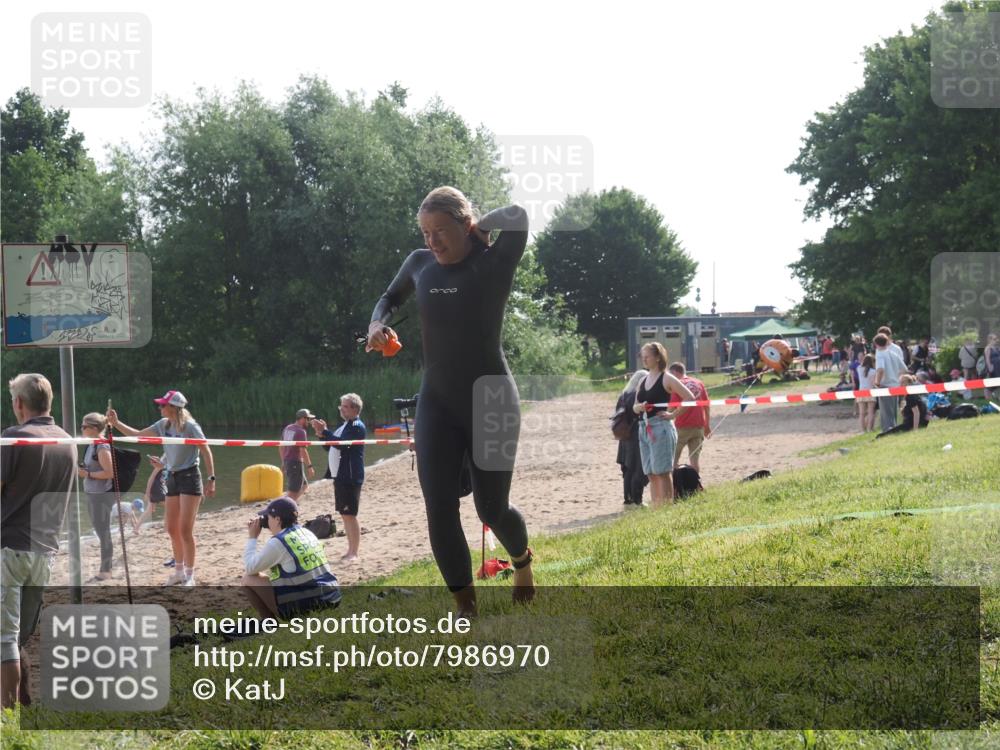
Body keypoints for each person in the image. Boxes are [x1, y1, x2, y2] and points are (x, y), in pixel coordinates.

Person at [367, 186, 532, 616]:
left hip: (492, 399)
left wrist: (483, 226)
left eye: (441, 230)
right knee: (439, 507)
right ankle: (466, 608)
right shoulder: (420, 265)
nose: (431, 241)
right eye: (425, 231)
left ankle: (522, 562)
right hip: (437, 402)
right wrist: (375, 325)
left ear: (465, 225)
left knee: (491, 508)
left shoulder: (494, 261)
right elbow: (388, 299)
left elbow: (517, 215)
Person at [1, 374, 76, 708]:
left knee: (5, 640)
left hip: (9, 548)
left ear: (19, 403)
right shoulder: (67, 440)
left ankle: (7, 716)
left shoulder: (15, 437)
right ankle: (23, 705)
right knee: (19, 637)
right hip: (45, 551)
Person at [107, 390, 215, 586]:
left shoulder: (190, 427)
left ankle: (190, 576)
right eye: (160, 405)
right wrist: (116, 423)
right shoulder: (162, 425)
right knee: (172, 529)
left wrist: (212, 478)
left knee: (185, 530)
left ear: (174, 407)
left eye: (163, 405)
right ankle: (179, 572)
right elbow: (137, 435)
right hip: (172, 476)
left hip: (190, 477)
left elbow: (206, 450)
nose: (160, 407)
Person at [241, 496, 341, 621]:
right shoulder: (307, 533)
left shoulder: (279, 542)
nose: (267, 521)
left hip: (307, 605)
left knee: (247, 579)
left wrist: (252, 537)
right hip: (332, 597)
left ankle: (268, 622)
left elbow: (250, 568)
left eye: (269, 517)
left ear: (277, 519)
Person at [632, 343, 695, 506]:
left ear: (658, 357)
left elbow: (689, 397)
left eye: (647, 356)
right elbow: (635, 405)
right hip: (644, 428)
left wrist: (673, 414)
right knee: (651, 473)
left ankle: (666, 509)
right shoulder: (642, 379)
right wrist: (638, 407)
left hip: (661, 428)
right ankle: (656, 508)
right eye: (642, 356)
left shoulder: (666, 377)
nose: (644, 359)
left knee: (662, 472)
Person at [312, 394, 365, 562]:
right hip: (340, 475)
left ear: (355, 409)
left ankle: (354, 552)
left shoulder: (356, 425)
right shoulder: (344, 426)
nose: (341, 409)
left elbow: (342, 444)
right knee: (344, 514)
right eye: (341, 406)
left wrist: (325, 432)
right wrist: (321, 434)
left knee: (350, 514)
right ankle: (350, 550)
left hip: (349, 476)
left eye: (345, 406)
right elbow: (331, 448)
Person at [78, 413, 118, 582]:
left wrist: (87, 473)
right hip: (93, 494)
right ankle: (106, 567)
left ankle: (106, 570)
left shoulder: (101, 446)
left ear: (94, 429)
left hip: (101, 495)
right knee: (100, 531)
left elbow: (110, 472)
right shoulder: (92, 444)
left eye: (84, 426)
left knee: (103, 532)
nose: (81, 429)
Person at [668, 362, 711, 473]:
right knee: (694, 461)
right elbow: (706, 406)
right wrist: (707, 425)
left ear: (674, 373)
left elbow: (671, 408)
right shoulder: (699, 383)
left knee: (673, 460)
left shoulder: (678, 385)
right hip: (699, 426)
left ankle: (675, 488)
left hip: (682, 427)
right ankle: (695, 486)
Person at [616, 370, 649, 505]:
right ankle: (637, 499)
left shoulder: (623, 395)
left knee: (628, 468)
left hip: (624, 435)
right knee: (638, 467)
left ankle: (628, 498)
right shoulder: (637, 395)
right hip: (636, 434)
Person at [280, 409, 316, 501]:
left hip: (289, 461)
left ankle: (290, 503)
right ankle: (285, 506)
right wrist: (310, 466)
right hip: (295, 463)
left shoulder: (288, 428)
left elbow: (281, 446)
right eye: (308, 419)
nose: (309, 421)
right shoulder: (301, 431)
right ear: (303, 419)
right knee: (294, 492)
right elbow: (303, 450)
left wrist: (283, 462)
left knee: (304, 485)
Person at [873, 333, 907, 432]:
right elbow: (904, 369)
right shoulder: (893, 353)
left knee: (886, 413)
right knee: (893, 412)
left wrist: (877, 383)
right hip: (895, 385)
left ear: (876, 344)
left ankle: (887, 432)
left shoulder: (879, 354)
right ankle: (894, 430)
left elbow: (880, 369)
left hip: (885, 386)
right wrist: (896, 377)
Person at [134, 454, 167, 534]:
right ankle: (166, 528)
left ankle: (136, 529)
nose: (158, 459)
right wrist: (147, 493)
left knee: (149, 510)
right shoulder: (158, 467)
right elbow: (150, 479)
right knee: (169, 507)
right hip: (157, 489)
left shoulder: (162, 466)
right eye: (155, 460)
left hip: (156, 489)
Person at [856, 354, 877, 432]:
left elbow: (859, 364)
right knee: (870, 412)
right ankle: (869, 429)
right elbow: (874, 383)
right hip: (870, 391)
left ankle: (862, 430)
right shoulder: (873, 371)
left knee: (861, 413)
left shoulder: (859, 369)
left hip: (861, 391)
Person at [985, 333, 1000, 401]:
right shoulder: (988, 348)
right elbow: (987, 359)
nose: (996, 340)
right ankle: (988, 398)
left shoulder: (996, 347)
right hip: (993, 367)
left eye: (996, 339)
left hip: (998, 367)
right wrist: (990, 367)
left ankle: (995, 396)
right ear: (989, 340)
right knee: (992, 383)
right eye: (994, 339)